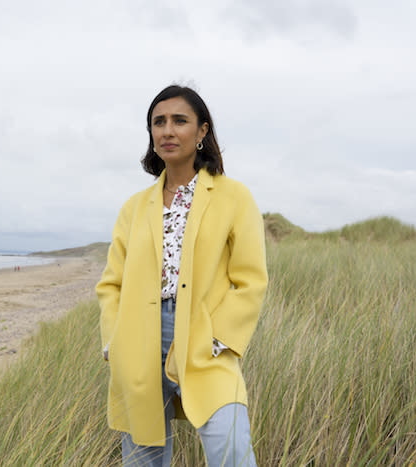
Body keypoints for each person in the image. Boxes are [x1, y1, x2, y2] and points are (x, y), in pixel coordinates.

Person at [96, 84, 268, 467]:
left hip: (202, 334)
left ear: (202, 131)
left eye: (179, 121)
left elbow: (250, 278)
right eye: (158, 122)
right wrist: (114, 342)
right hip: (138, 338)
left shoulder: (233, 197)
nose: (167, 131)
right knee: (143, 456)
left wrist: (220, 337)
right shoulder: (134, 208)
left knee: (232, 451)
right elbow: (111, 284)